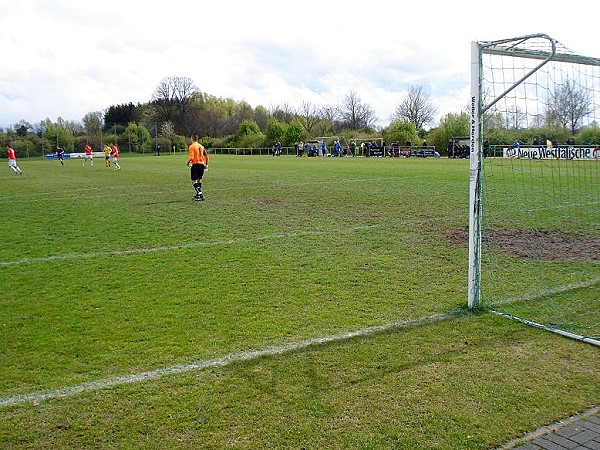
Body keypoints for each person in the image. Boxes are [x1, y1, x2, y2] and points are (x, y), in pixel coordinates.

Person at [187, 134, 209, 201]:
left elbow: (192, 157)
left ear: (192, 139)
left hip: (196, 164)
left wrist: (188, 162)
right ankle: (198, 193)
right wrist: (206, 164)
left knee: (193, 180)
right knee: (199, 179)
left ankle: (200, 194)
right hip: (202, 164)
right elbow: (207, 156)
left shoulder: (192, 146)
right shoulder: (201, 146)